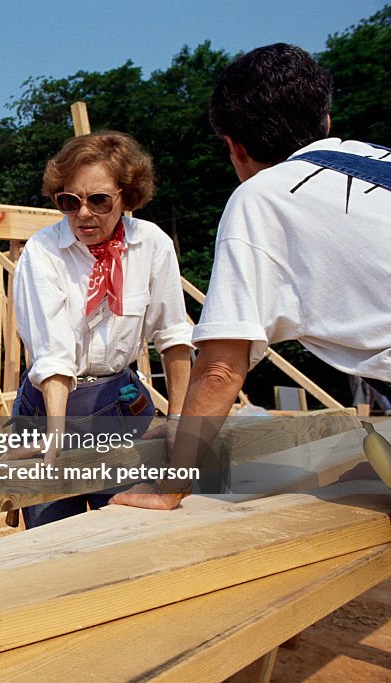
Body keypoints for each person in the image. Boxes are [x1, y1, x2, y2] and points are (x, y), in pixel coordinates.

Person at [111, 43, 391, 510]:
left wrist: (169, 486)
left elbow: (221, 369)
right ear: (325, 121)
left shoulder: (261, 198)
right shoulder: (378, 158)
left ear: (235, 147)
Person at [9, 131, 193, 527]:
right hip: (48, 407)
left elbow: (174, 336)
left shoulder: (151, 244)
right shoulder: (42, 253)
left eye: (98, 200)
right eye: (69, 202)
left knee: (131, 525)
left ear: (127, 196)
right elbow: (53, 354)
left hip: (118, 402)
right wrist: (57, 436)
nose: (83, 214)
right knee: (55, 540)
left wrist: (178, 420)